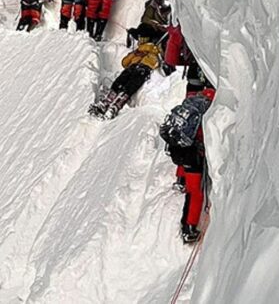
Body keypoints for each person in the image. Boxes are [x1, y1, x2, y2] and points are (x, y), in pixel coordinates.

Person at [160, 86, 216, 243]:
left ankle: (180, 179)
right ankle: (189, 227)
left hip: (177, 147)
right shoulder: (208, 110)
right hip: (191, 154)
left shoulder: (192, 101)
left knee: (190, 182)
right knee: (196, 193)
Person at [88, 39, 162, 119]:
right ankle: (107, 101)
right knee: (119, 82)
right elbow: (124, 62)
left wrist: (143, 49)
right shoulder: (137, 53)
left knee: (130, 86)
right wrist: (134, 54)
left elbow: (153, 49)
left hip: (145, 68)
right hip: (132, 67)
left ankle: (116, 106)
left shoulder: (153, 52)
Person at [163, 24, 212, 92]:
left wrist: (174, 62)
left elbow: (171, 55)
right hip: (214, 66)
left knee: (193, 90)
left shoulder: (182, 27)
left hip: (195, 65)